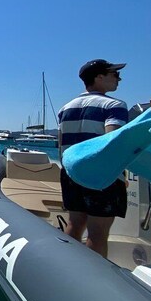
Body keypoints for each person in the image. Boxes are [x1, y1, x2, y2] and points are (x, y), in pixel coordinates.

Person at [57, 59, 128, 258]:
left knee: (74, 223)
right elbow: (112, 141)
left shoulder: (66, 108)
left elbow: (62, 145)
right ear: (99, 77)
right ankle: (91, 282)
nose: (119, 79)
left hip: (72, 172)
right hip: (101, 175)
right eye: (115, 74)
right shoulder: (114, 105)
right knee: (97, 233)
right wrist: (119, 172)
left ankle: (67, 266)